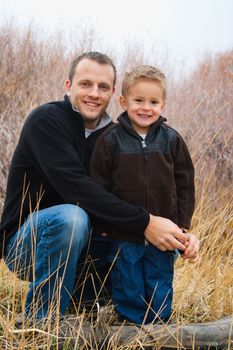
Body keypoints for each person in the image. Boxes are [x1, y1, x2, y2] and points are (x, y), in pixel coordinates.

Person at [0, 52, 198, 322]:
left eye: (103, 87)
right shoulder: (47, 121)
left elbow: (143, 193)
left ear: (113, 93)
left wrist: (179, 232)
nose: (94, 93)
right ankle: (40, 320)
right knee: (72, 217)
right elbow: (78, 189)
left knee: (156, 243)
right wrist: (145, 222)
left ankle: (96, 307)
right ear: (68, 86)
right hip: (29, 246)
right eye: (85, 84)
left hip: (87, 248)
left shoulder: (113, 137)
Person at [90, 65, 199, 325]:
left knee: (160, 277)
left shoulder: (171, 140)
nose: (145, 108)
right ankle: (130, 322)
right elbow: (98, 185)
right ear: (123, 101)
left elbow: (185, 184)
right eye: (138, 100)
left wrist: (182, 225)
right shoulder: (110, 140)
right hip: (123, 232)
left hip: (165, 232)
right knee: (127, 278)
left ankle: (160, 323)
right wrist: (104, 226)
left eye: (153, 102)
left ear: (163, 104)